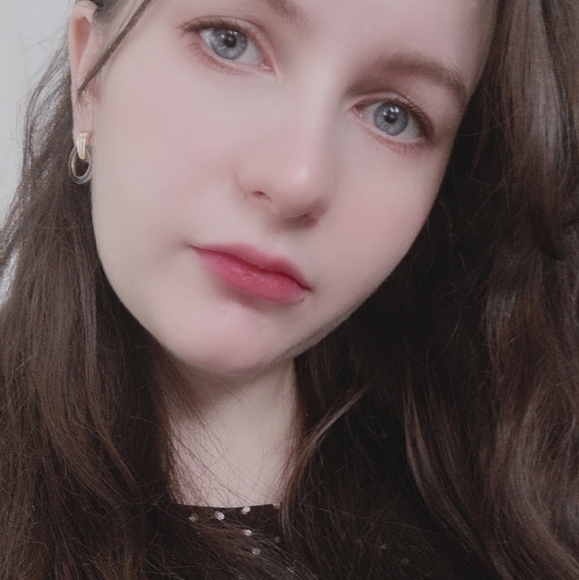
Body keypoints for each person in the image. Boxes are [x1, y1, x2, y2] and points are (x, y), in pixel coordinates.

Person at [1, 0, 578, 577]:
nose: (297, 180)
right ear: (90, 69)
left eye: (393, 116)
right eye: (229, 41)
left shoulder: (517, 515)